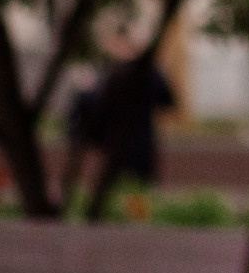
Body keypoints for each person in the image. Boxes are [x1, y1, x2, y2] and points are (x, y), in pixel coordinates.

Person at [64, 27, 179, 218]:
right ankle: (130, 222)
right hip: (130, 146)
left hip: (124, 146)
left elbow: (166, 100)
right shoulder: (137, 73)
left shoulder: (118, 74)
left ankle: (130, 223)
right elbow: (167, 101)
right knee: (127, 193)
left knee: (126, 192)